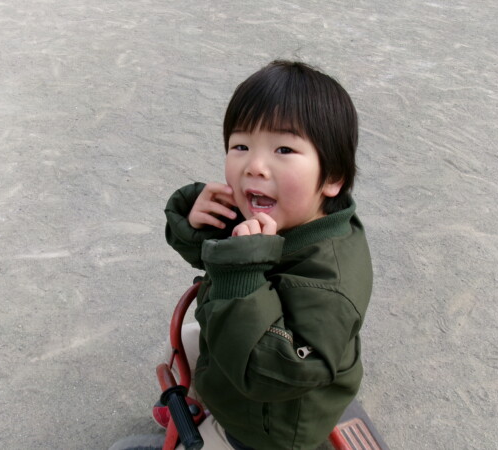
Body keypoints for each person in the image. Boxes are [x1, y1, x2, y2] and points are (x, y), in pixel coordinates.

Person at [112, 60, 372, 450]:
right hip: (240, 349)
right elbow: (212, 257)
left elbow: (275, 372)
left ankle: (206, 432)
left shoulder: (330, 283)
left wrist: (243, 272)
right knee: (188, 337)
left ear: (332, 177)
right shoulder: (285, 213)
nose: (255, 166)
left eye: (284, 149)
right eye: (241, 146)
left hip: (270, 420)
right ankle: (194, 407)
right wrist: (199, 226)